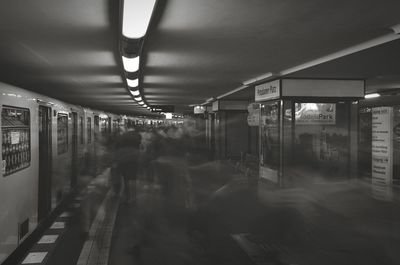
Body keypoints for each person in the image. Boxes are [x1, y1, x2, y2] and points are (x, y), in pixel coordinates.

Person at [113, 130, 141, 203]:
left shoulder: (121, 141)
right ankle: (134, 197)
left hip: (124, 161)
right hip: (134, 161)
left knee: (126, 180)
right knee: (133, 179)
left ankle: (128, 197)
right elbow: (139, 149)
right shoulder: (136, 140)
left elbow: (117, 151)